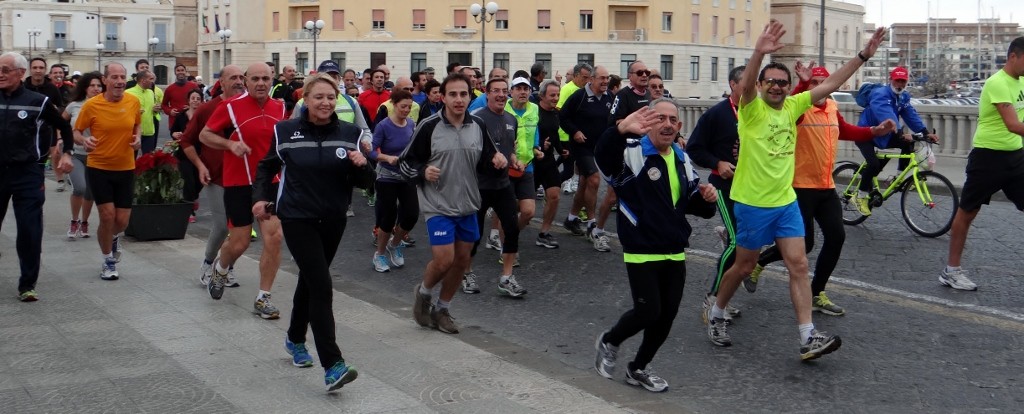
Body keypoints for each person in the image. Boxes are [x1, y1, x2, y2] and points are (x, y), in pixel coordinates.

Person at [705, 21, 884, 361]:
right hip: (753, 203)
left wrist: (863, 55)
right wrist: (758, 52)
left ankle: (807, 336)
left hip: (786, 202)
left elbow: (831, 83)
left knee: (799, 265)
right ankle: (716, 311)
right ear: (760, 86)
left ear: (789, 88)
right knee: (744, 266)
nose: (776, 87)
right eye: (770, 82)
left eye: (782, 83)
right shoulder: (751, 109)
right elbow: (746, 86)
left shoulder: (793, 106)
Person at [742, 64, 896, 316]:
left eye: (822, 83)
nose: (819, 87)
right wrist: (802, 85)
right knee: (806, 244)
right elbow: (788, 103)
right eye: (814, 83)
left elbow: (844, 130)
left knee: (837, 238)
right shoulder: (797, 109)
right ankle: (760, 262)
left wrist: (873, 131)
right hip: (800, 187)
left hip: (826, 186)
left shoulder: (832, 107)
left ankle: (816, 293)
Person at [253, 73, 371, 392]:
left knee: (310, 279)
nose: (325, 103)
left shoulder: (350, 133)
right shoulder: (285, 131)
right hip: (297, 217)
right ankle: (333, 364)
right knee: (321, 284)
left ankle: (294, 339)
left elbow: (366, 183)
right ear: (305, 99)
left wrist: (362, 164)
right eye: (319, 97)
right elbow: (266, 167)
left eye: (331, 97)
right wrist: (261, 198)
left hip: (333, 219)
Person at [592, 99, 717, 392]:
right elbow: (603, 157)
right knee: (648, 311)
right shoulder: (632, 153)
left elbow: (690, 202)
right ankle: (610, 340)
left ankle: (638, 367)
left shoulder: (681, 158)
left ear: (680, 126)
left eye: (673, 120)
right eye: (661, 118)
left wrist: (707, 199)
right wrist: (620, 130)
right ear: (649, 123)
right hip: (641, 247)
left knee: (667, 315)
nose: (668, 124)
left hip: (674, 248)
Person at [399, 73, 507, 334]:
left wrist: (498, 161)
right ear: (443, 98)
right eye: (453, 94)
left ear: (470, 97)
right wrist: (423, 171)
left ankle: (442, 309)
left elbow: (488, 159)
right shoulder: (429, 126)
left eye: (463, 94)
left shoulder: (477, 125)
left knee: (461, 261)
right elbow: (405, 162)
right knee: (444, 259)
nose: (459, 99)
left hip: (468, 203)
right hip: (438, 204)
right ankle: (424, 293)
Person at [199, 62, 286, 320]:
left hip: (269, 183)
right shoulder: (230, 106)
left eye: (265, 79)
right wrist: (230, 145)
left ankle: (263, 298)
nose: (261, 83)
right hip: (238, 182)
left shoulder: (281, 108)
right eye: (255, 79)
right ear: (246, 81)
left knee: (274, 237)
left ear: (272, 80)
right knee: (240, 242)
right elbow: (205, 135)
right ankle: (221, 268)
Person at [941, 36, 1024, 291]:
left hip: (1016, 156)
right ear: (1013, 56)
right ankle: (951, 271)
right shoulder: (997, 83)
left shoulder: (1021, 81)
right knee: (968, 211)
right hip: (988, 158)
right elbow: (1013, 124)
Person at [0, 52, 75, 302]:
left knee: (29, 230)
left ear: (20, 73)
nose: (0, 74)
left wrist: (67, 153)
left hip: (28, 173)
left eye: (6, 69)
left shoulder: (38, 101)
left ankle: (27, 284)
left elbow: (64, 126)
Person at [686, 65, 747, 323]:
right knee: (736, 242)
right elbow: (693, 148)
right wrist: (717, 163)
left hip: (751, 189)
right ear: (733, 84)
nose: (753, 88)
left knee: (747, 244)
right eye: (747, 83)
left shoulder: (760, 111)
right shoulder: (717, 114)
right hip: (723, 186)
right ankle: (713, 298)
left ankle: (724, 297)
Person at [74, 62, 143, 281]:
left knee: (121, 221)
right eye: (114, 77)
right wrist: (84, 140)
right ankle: (107, 260)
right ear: (105, 80)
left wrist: (138, 138)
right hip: (99, 168)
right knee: (107, 215)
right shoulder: (92, 105)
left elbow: (137, 124)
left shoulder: (133, 101)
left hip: (125, 168)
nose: (120, 81)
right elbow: (76, 131)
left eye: (122, 77)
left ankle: (110, 237)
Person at [181, 65, 245, 289]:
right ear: (222, 82)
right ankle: (208, 264)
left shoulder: (248, 107)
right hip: (217, 176)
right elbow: (186, 141)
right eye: (233, 77)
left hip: (244, 177)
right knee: (221, 226)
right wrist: (200, 166)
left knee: (239, 229)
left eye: (241, 77)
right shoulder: (207, 109)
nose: (239, 81)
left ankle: (226, 267)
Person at [464, 77, 527, 297]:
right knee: (475, 234)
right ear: (487, 93)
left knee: (512, 229)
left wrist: (514, 160)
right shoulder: (476, 118)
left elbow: (509, 148)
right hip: (479, 185)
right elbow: (467, 150)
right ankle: (466, 273)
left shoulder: (511, 119)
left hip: (502, 184)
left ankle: (506, 277)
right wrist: (489, 158)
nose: (501, 95)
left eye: (504, 91)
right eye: (496, 91)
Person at [854, 66, 935, 215]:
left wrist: (925, 132)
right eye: (897, 81)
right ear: (890, 80)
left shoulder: (903, 97)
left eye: (903, 81)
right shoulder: (880, 94)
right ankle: (860, 196)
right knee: (873, 164)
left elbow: (910, 115)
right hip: (866, 134)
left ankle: (898, 179)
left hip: (883, 135)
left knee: (908, 144)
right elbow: (886, 115)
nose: (900, 84)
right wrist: (899, 132)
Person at [559, 66, 614, 245]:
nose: (605, 81)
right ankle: (592, 223)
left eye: (607, 78)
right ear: (591, 79)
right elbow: (563, 117)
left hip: (600, 148)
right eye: (602, 78)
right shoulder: (579, 96)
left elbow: (614, 120)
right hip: (581, 147)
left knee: (584, 183)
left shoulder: (610, 97)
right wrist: (575, 132)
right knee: (594, 180)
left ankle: (571, 218)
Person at [369, 90, 419, 272]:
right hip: (386, 176)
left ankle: (395, 244)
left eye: (409, 107)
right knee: (388, 217)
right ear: (394, 105)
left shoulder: (411, 124)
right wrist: (387, 157)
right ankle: (380, 254)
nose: (406, 110)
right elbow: (371, 151)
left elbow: (414, 148)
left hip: (406, 175)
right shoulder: (384, 126)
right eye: (403, 106)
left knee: (412, 214)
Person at [62, 72, 104, 241]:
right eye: (92, 85)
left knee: (90, 192)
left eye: (99, 85)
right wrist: (59, 140)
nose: (96, 88)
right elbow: (61, 123)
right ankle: (74, 220)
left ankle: (84, 221)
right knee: (79, 187)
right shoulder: (74, 106)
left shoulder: (106, 106)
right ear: (85, 88)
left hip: (97, 156)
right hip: (76, 154)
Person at [534, 79, 566, 248]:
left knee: (554, 196)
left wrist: (561, 150)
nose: (556, 98)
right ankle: (506, 231)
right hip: (532, 160)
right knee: (522, 205)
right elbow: (526, 134)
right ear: (542, 96)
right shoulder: (533, 111)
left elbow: (554, 134)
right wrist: (539, 144)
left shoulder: (555, 113)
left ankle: (544, 233)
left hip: (548, 160)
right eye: (552, 95)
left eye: (557, 95)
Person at [170, 88, 204, 222]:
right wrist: (175, 134)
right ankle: (189, 211)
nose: (195, 101)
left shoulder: (204, 116)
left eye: (198, 99)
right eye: (193, 98)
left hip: (200, 153)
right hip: (184, 153)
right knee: (188, 181)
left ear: (202, 101)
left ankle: (194, 197)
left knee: (199, 181)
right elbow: (173, 131)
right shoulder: (181, 116)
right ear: (188, 101)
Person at [125, 70, 159, 154]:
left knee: (148, 159)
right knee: (131, 158)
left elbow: (153, 111)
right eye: (151, 79)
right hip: (134, 132)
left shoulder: (151, 92)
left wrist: (155, 110)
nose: (153, 81)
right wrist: (133, 112)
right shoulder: (128, 93)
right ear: (143, 80)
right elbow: (123, 112)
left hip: (149, 132)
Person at [161, 64, 199, 132]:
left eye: (182, 70)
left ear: (185, 72)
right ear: (175, 72)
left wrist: (191, 107)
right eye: (178, 70)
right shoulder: (169, 89)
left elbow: (201, 102)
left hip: (190, 121)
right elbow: (164, 105)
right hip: (175, 122)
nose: (180, 72)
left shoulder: (194, 86)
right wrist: (170, 111)